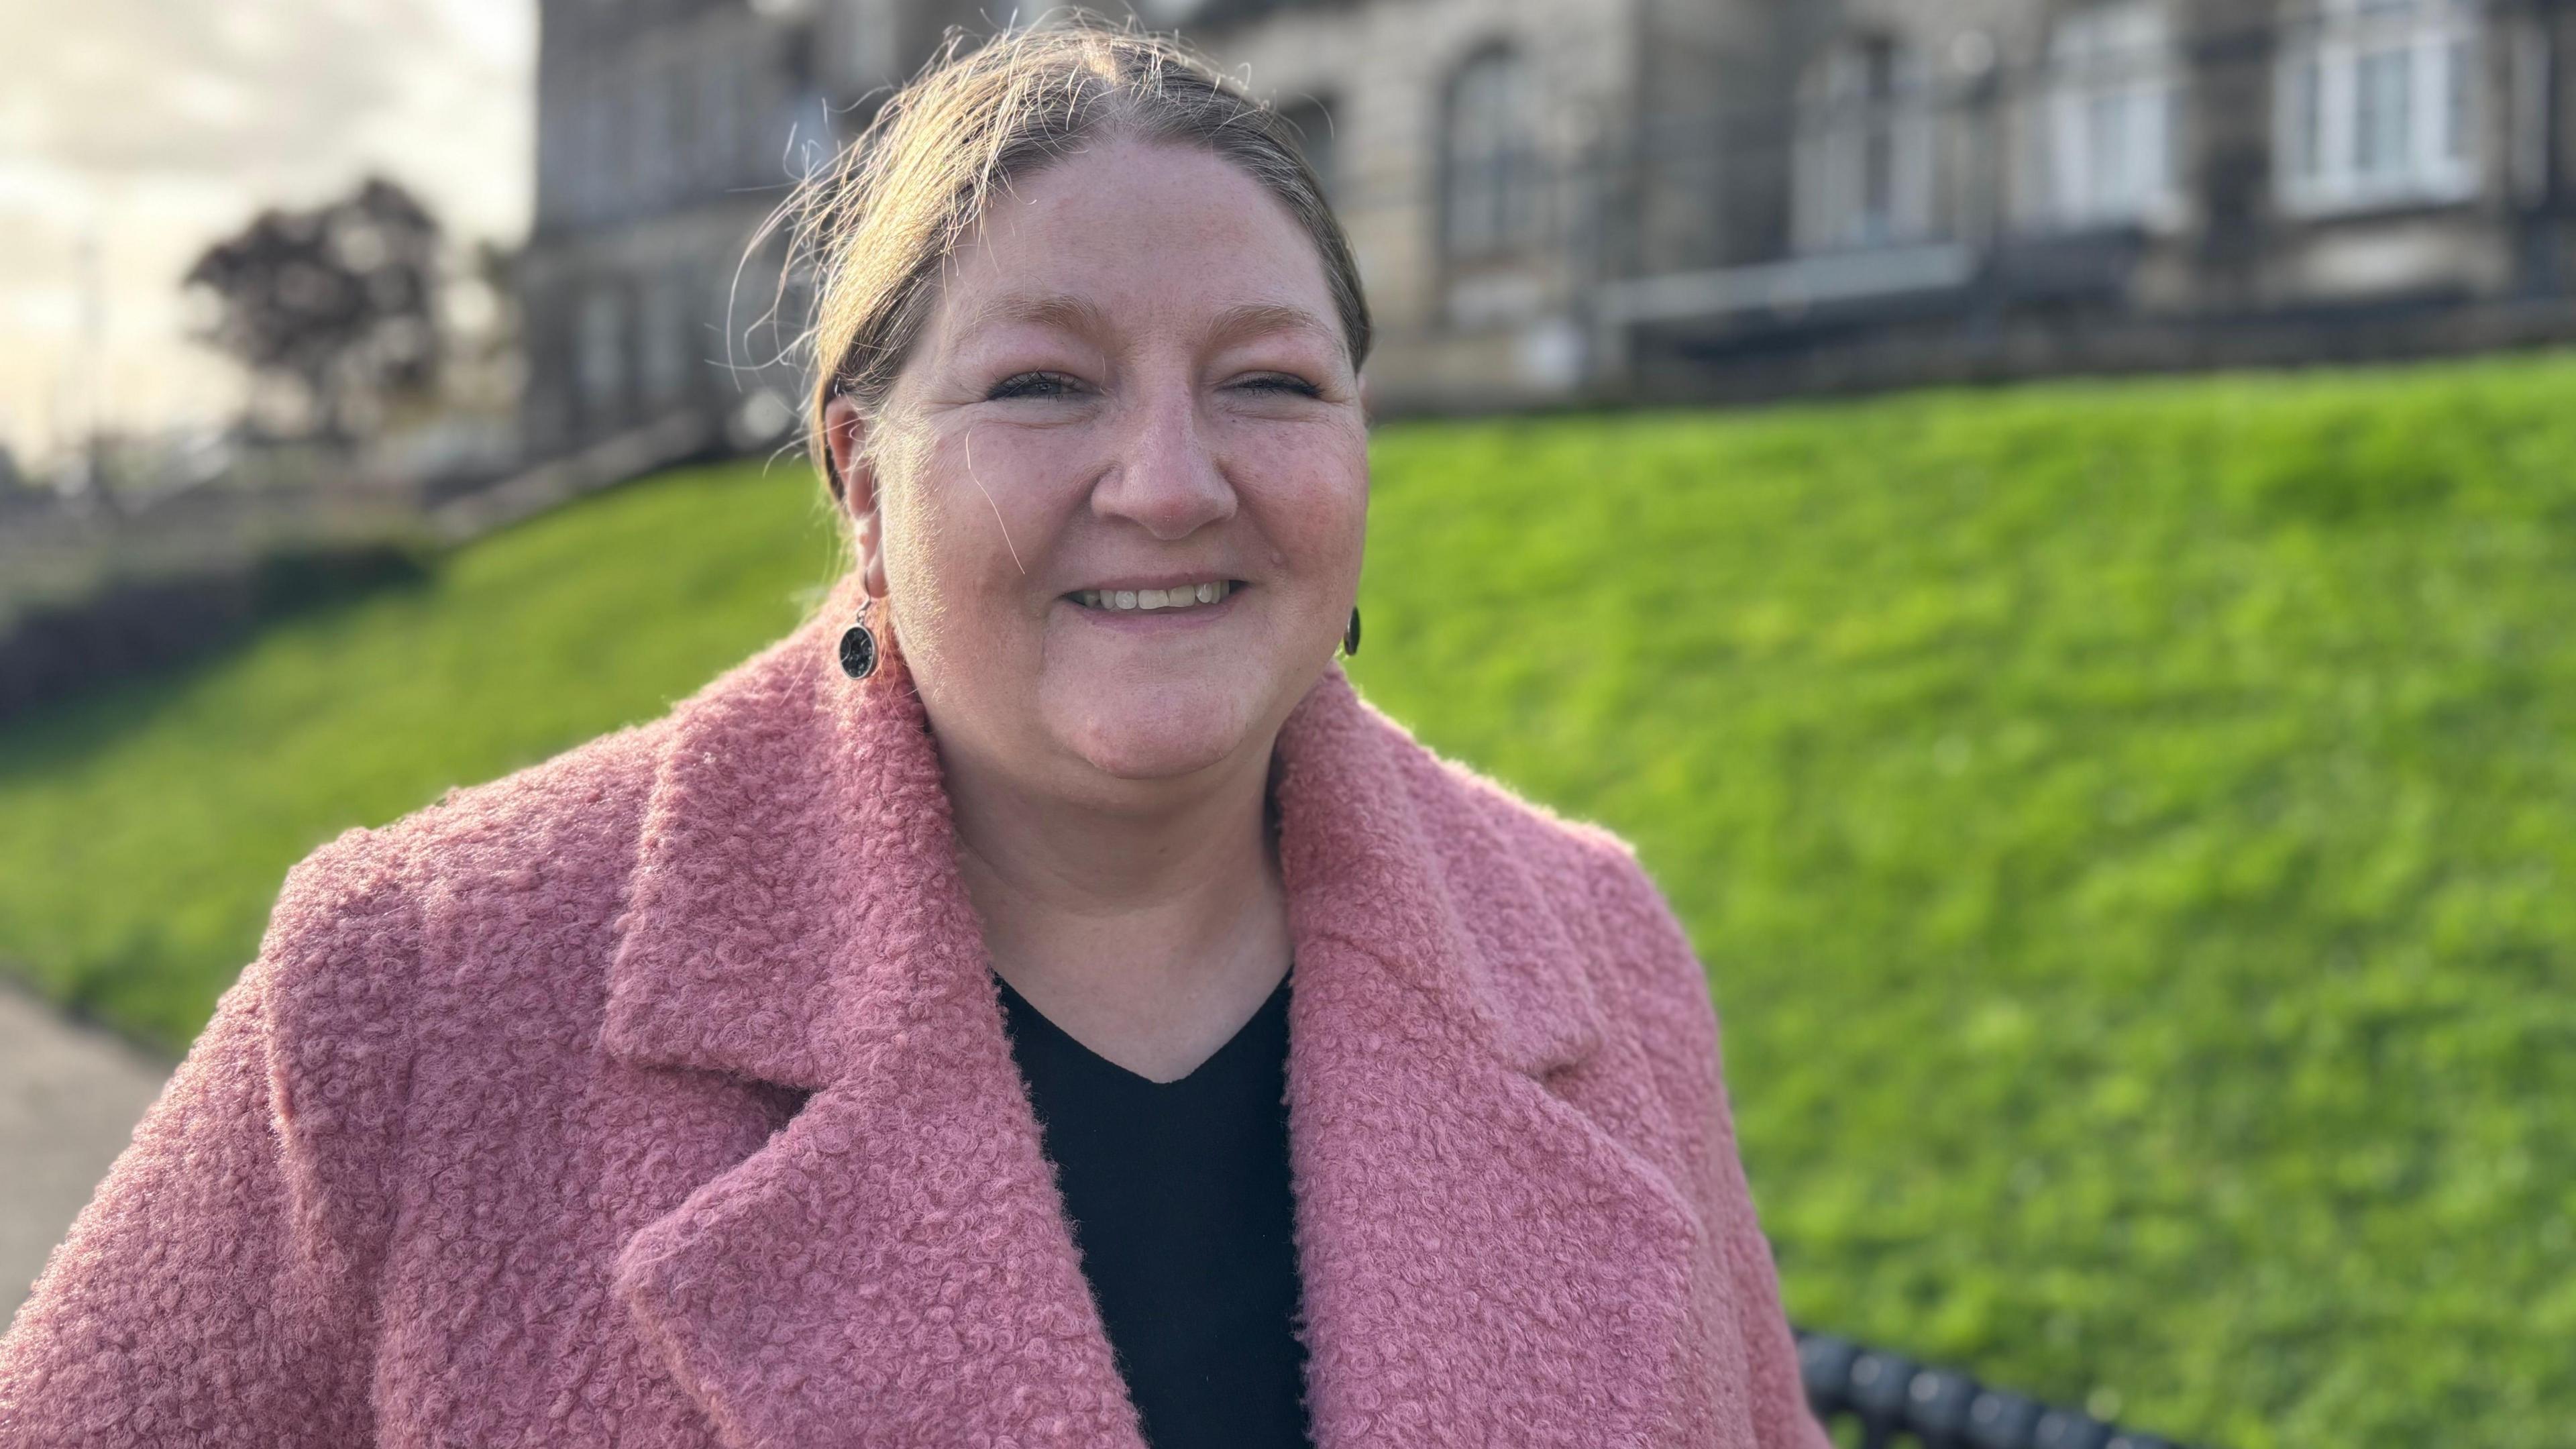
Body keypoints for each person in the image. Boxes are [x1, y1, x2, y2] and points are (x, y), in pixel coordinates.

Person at [0, 17, 1828, 1449]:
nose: (1173, 485)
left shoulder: (1596, 953)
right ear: (862, 484)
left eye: (1271, 384)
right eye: (1043, 385)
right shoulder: (424, 993)